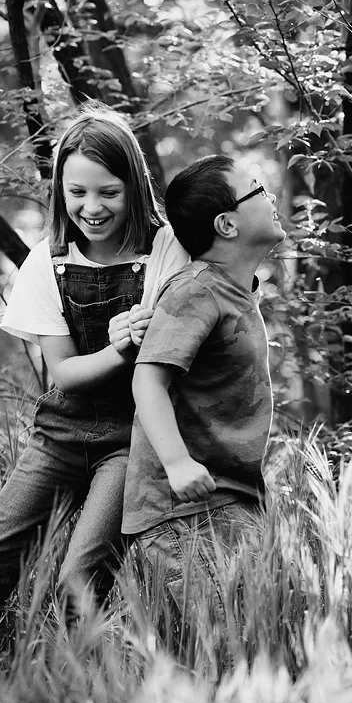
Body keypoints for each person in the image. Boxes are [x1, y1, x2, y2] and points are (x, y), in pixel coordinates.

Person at [0, 106, 188, 669]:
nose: (92, 207)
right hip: (60, 434)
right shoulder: (47, 262)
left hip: (131, 440)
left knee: (78, 579)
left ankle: (76, 691)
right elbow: (63, 372)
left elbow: (204, 316)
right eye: (77, 192)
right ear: (60, 191)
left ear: (135, 186)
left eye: (109, 192)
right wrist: (119, 348)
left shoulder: (165, 250)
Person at [122, 154, 286, 648]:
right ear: (227, 224)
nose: (271, 196)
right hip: (186, 510)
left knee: (266, 645)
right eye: (258, 189)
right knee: (234, 654)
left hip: (230, 500)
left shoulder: (238, 291)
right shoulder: (196, 290)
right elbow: (147, 381)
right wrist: (176, 463)